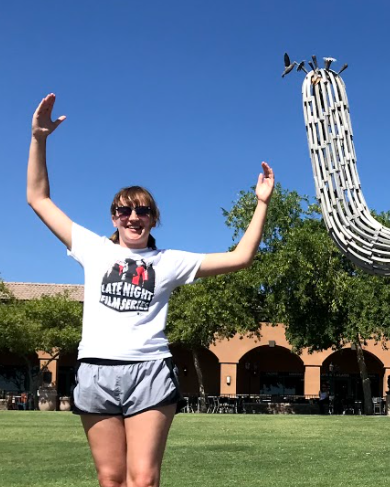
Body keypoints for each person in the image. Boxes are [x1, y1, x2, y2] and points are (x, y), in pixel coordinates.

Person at [27, 93, 275, 487]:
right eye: (124, 210)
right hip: (96, 371)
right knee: (110, 479)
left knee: (142, 479)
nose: (133, 216)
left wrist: (261, 203)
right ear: (114, 217)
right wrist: (39, 138)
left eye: (142, 210)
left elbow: (241, 257)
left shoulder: (170, 262)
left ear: (153, 219)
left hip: (150, 373)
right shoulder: (94, 249)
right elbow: (38, 199)